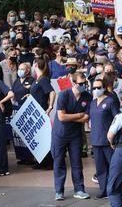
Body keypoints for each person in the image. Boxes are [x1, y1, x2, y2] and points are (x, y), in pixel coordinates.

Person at [52, 72, 92, 201]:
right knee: (59, 162)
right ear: (74, 83)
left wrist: (72, 117)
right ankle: (59, 191)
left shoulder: (87, 96)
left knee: (76, 162)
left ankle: (79, 189)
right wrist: (78, 115)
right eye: (81, 84)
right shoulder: (64, 95)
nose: (83, 86)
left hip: (75, 135)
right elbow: (61, 117)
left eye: (85, 83)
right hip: (60, 134)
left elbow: (86, 118)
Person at [88, 78, 119, 199]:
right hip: (96, 140)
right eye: (94, 88)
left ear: (104, 88)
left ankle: (116, 190)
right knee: (100, 168)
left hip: (108, 141)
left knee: (113, 167)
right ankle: (104, 190)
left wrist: (115, 138)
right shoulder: (92, 103)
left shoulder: (110, 101)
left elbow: (117, 120)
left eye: (98, 87)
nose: (96, 90)